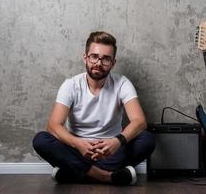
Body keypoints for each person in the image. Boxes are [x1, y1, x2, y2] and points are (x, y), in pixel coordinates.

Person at [32, 31, 155, 185]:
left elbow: (139, 121)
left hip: (111, 151)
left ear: (113, 63)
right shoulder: (71, 85)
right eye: (94, 56)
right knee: (41, 140)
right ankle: (107, 177)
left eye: (106, 59)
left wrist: (117, 141)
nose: (98, 63)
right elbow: (53, 125)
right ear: (86, 57)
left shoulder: (122, 83)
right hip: (77, 150)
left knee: (148, 139)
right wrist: (78, 144)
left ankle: (73, 173)